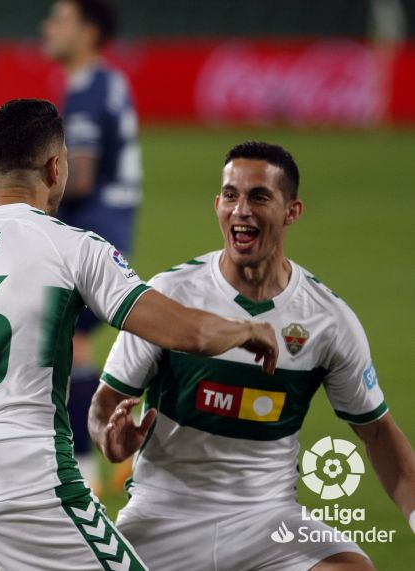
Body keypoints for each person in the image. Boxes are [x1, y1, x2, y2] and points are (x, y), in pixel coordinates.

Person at [0, 99, 278, 571]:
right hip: (29, 488)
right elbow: (186, 331)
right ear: (56, 167)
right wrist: (244, 328)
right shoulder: (72, 247)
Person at [90, 141, 415, 570]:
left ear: (292, 211)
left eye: (259, 196)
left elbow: (377, 433)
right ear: (217, 204)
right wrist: (108, 439)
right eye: (230, 195)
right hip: (163, 512)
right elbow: (105, 404)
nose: (241, 209)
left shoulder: (328, 320)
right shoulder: (169, 296)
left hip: (267, 518)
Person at [42, 0, 143, 489]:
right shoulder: (107, 83)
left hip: (91, 232)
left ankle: (84, 471)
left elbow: (77, 179)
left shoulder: (87, 90)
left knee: (67, 347)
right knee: (73, 347)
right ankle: (113, 456)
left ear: (89, 31)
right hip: (111, 229)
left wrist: (15, 201)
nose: (48, 26)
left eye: (60, 18)